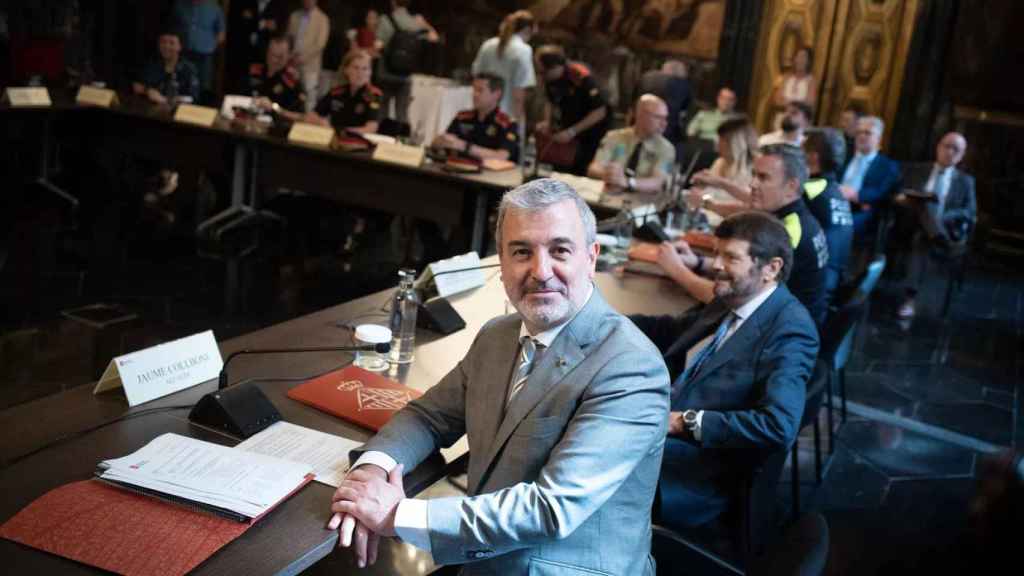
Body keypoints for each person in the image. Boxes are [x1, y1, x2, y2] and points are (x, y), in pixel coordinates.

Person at [328, 178, 670, 574]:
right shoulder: (497, 335)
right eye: (522, 252)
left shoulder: (630, 366)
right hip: (483, 559)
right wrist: (370, 472)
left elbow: (551, 508)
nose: (541, 272)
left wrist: (395, 515)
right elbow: (428, 416)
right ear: (502, 262)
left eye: (560, 250)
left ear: (591, 258)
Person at [631, 210, 819, 530]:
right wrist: (601, 320)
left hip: (694, 472)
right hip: (656, 422)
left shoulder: (790, 329)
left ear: (770, 269)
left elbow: (779, 425)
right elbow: (672, 329)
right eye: (716, 253)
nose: (716, 265)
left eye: (730, 257)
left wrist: (682, 421)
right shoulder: (734, 295)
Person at [892, 132, 976, 318]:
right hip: (909, 224)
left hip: (940, 226)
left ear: (961, 155)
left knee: (923, 238)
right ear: (938, 147)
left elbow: (970, 212)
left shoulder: (966, 181)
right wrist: (904, 199)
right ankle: (940, 239)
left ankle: (910, 299)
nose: (950, 152)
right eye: (947, 146)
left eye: (956, 149)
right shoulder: (917, 170)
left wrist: (946, 216)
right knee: (922, 209)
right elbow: (898, 194)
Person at [534, 45, 611, 176]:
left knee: (580, 170)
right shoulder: (550, 77)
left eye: (544, 72)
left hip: (591, 129)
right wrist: (547, 122)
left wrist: (571, 132)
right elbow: (550, 101)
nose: (541, 76)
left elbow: (600, 111)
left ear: (557, 66)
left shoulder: (580, 76)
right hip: (569, 125)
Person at [802, 128, 854, 301]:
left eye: (802, 150)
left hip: (812, 293)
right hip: (834, 286)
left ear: (813, 157)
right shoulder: (836, 192)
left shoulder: (811, 190)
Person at [587, 94, 675, 194]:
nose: (664, 123)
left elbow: (657, 182)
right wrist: (608, 174)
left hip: (642, 202)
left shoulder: (666, 148)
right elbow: (593, 169)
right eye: (658, 117)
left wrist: (628, 182)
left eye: (665, 118)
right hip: (610, 196)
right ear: (641, 115)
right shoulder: (614, 137)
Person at [375, 0, 440, 122]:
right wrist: (425, 24)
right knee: (402, 112)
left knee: (382, 110)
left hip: (386, 72)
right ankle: (401, 139)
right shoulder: (415, 22)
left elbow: (378, 45)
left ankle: (380, 138)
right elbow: (434, 38)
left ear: (393, 2)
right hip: (406, 75)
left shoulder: (386, 19)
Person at [432, 73, 520, 162]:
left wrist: (464, 146)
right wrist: (440, 142)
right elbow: (444, 141)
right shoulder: (462, 117)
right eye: (474, 90)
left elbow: (501, 157)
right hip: (458, 169)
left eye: (480, 90)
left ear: (496, 94)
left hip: (490, 174)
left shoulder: (507, 124)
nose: (474, 94)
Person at [839, 116, 902, 238]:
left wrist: (855, 195)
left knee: (841, 226)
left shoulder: (887, 165)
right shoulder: (843, 157)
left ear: (878, 138)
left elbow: (880, 191)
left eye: (867, 133)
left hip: (862, 211)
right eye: (859, 132)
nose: (862, 136)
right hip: (835, 204)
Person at [471, 9, 536, 123]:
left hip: (483, 111)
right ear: (527, 30)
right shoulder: (524, 50)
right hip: (506, 117)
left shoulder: (488, 44)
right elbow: (519, 92)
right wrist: (518, 120)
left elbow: (476, 76)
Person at [690, 115, 758, 213]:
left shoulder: (755, 168)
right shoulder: (719, 162)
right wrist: (700, 187)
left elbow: (751, 203)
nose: (718, 145)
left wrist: (719, 184)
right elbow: (707, 194)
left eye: (724, 140)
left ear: (737, 142)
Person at [309, 48, 381, 134]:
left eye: (365, 69)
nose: (360, 73)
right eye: (356, 68)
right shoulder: (336, 92)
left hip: (357, 141)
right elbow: (312, 116)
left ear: (370, 72)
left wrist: (340, 131)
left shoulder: (373, 95)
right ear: (346, 70)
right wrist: (320, 122)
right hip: (333, 138)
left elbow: (371, 128)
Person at [228, 0, 290, 93]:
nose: (275, 59)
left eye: (280, 57)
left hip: (268, 57)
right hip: (248, 55)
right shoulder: (246, 3)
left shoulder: (280, 5)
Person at [244, 35, 306, 120]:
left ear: (289, 55)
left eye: (280, 57)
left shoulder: (291, 81)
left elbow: (302, 117)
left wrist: (274, 108)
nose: (274, 60)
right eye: (271, 54)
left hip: (276, 129)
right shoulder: (254, 71)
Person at [132, 28, 200, 105]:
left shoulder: (189, 69)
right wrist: (147, 91)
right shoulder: (150, 64)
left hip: (177, 112)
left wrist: (166, 100)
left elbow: (192, 98)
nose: (166, 46)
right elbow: (137, 86)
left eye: (171, 43)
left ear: (180, 46)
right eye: (163, 42)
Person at [173, 0, 225, 99]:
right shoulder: (179, 5)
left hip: (205, 55)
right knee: (181, 83)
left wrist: (211, 46)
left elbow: (221, 33)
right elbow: (173, 27)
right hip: (183, 53)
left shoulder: (214, 8)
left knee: (204, 87)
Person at [287, 0, 330, 112]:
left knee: (309, 96)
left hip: (311, 66)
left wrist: (303, 58)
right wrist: (291, 55)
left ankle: (308, 121)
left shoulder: (322, 19)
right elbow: (289, 38)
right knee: (290, 92)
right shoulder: (294, 16)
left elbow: (320, 44)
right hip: (292, 62)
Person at [638, 59, 691, 146]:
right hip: (668, 131)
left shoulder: (646, 77)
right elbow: (685, 110)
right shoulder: (683, 85)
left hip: (641, 125)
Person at [771, 46, 817, 129]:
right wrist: (797, 104)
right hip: (782, 118)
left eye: (804, 57)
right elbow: (777, 101)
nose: (800, 60)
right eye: (798, 57)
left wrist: (788, 103)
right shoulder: (785, 77)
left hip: (800, 121)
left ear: (809, 61)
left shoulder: (811, 81)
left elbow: (810, 104)